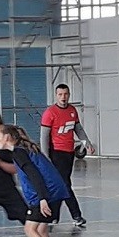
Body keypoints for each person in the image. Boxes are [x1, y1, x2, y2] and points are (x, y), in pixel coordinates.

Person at [6, 125, 73, 237]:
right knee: (41, 228)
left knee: (30, 229)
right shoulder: (26, 149)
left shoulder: (18, 152)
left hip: (45, 193)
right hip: (56, 191)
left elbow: (34, 175)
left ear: (8, 138)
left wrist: (42, 198)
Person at [37, 84, 88, 227]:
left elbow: (78, 129)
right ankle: (76, 215)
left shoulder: (72, 110)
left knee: (61, 184)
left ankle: (53, 216)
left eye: (65, 94)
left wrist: (86, 143)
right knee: (65, 184)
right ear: (56, 95)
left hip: (69, 153)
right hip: (56, 153)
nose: (63, 97)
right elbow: (44, 136)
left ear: (69, 94)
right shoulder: (50, 112)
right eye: (60, 94)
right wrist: (46, 156)